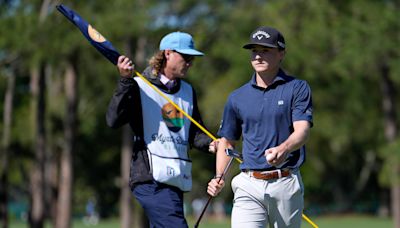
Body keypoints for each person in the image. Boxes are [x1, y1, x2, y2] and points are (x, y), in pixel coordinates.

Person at [106, 31, 217, 228]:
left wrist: (211, 144)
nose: (190, 62)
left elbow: (193, 134)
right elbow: (113, 120)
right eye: (186, 57)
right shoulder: (139, 85)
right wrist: (125, 81)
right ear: (167, 53)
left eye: (193, 58)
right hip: (150, 180)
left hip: (176, 178)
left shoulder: (188, 91)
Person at [207, 26, 313, 228]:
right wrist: (218, 177)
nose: (258, 56)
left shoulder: (297, 88)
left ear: (281, 53)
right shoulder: (237, 97)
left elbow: (303, 131)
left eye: (265, 51)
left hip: (285, 182)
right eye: (254, 51)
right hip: (248, 183)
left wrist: (284, 148)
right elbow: (227, 141)